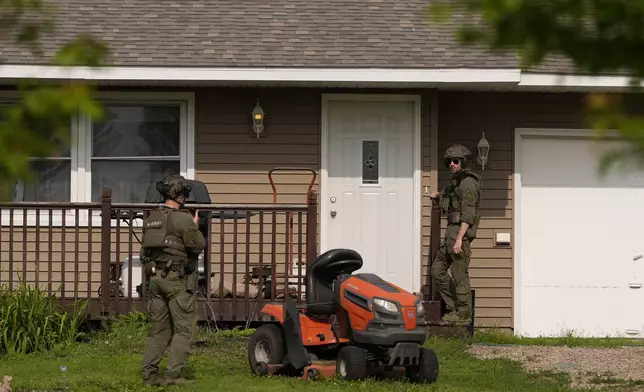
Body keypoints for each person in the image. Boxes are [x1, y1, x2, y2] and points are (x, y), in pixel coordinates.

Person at [139, 175, 206, 386]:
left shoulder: (152, 219)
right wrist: (194, 225)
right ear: (179, 195)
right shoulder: (183, 219)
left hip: (155, 280)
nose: (186, 197)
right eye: (185, 194)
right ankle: (174, 375)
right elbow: (198, 245)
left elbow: (144, 253)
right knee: (184, 328)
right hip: (176, 280)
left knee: (160, 329)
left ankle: (149, 374)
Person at [429, 144, 482, 325]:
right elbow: (447, 194)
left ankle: (463, 314)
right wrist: (437, 195)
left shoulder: (468, 182)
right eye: (449, 161)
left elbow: (468, 214)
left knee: (460, 275)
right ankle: (454, 307)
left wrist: (460, 238)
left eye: (456, 161)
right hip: (450, 231)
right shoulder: (455, 181)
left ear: (463, 162)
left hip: (460, 233)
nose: (452, 164)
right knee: (437, 270)